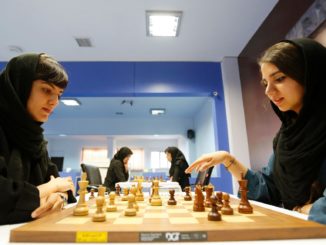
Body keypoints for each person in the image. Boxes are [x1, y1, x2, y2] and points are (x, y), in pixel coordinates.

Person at [185, 38, 326, 225]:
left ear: (310, 76)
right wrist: (228, 159)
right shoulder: (286, 138)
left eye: (279, 78)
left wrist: (308, 210)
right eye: (265, 83)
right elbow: (267, 190)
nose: (268, 91)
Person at [0, 53, 76, 225]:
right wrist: (51, 188)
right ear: (20, 86)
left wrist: (59, 197)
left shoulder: (35, 139)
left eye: (59, 94)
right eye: (47, 90)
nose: (54, 101)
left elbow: (66, 186)